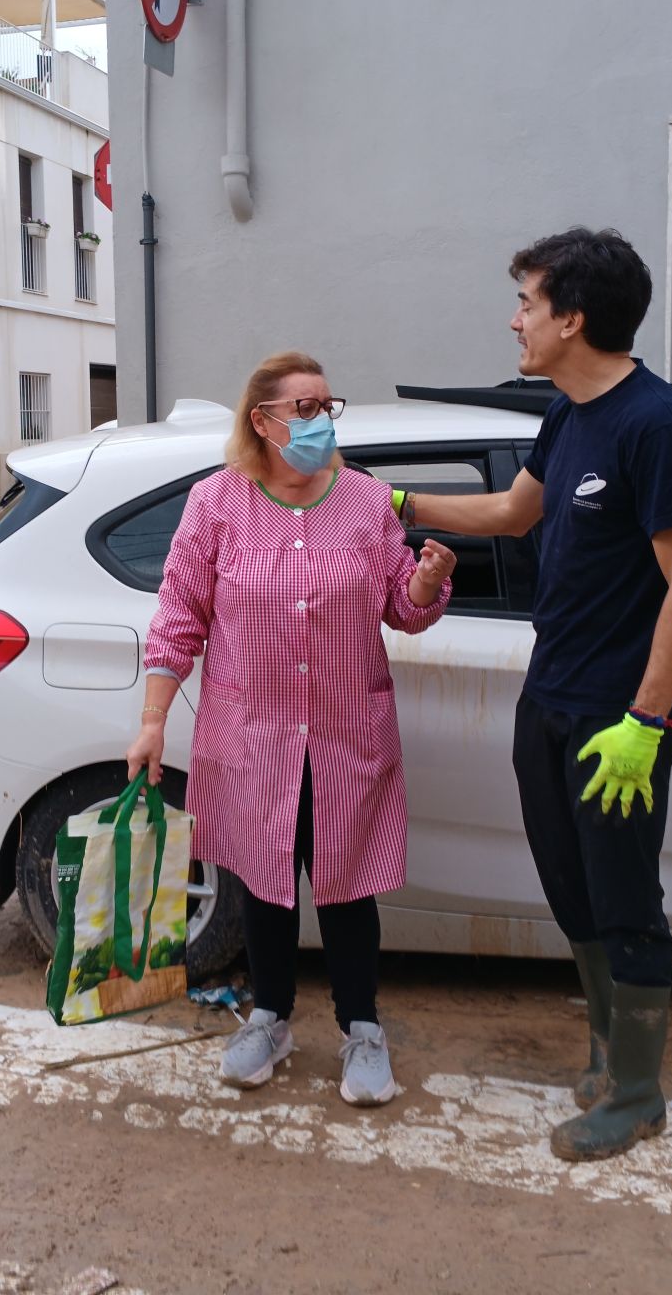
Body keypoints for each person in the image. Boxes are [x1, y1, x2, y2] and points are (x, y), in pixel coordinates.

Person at [391, 228, 672, 1160]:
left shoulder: (657, 425)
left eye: (527, 303)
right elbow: (509, 513)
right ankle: (608, 1050)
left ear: (573, 319)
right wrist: (388, 501)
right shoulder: (569, 415)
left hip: (622, 714)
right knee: (570, 889)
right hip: (553, 694)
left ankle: (639, 1094)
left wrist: (646, 724)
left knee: (623, 897)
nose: (515, 319)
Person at [129, 350, 456, 1106]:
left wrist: (427, 582)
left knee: (347, 888)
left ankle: (362, 1030)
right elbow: (179, 620)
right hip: (253, 736)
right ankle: (269, 1017)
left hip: (347, 732)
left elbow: (400, 611)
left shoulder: (368, 502)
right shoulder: (216, 504)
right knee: (263, 882)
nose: (318, 421)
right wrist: (152, 721)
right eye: (302, 409)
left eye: (326, 407)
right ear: (262, 421)